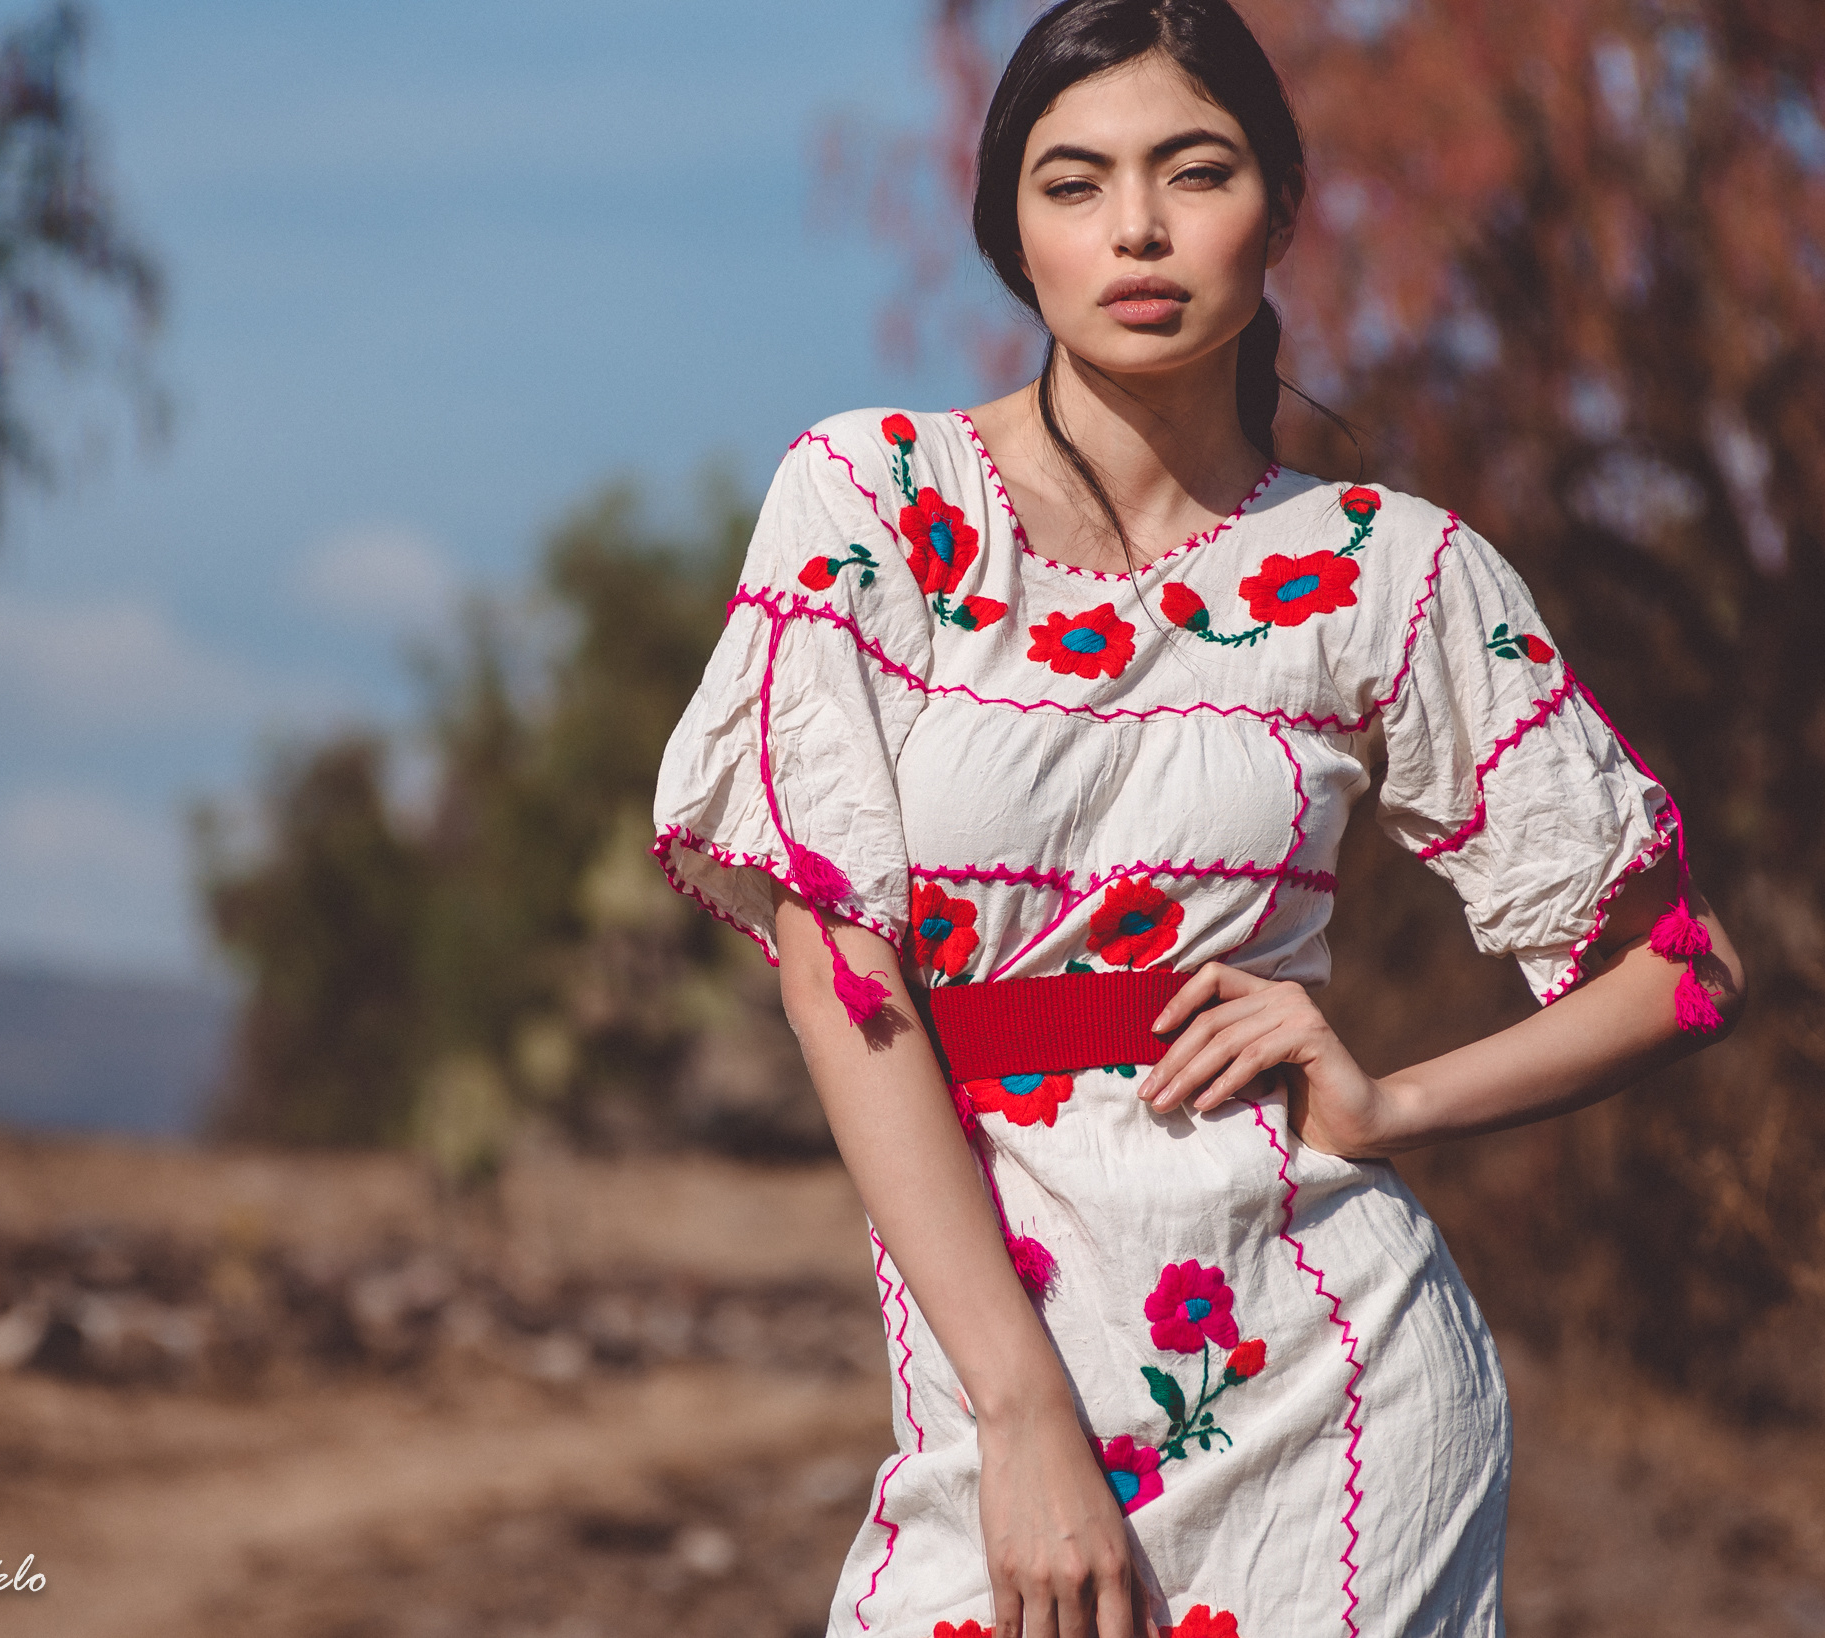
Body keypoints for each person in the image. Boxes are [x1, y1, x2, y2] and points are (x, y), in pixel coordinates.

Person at [650, 2, 1744, 1634]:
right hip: (1003, 1397)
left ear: (1283, 211)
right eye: (1074, 182)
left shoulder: (1388, 568)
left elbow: (1684, 967)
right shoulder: (872, 501)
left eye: (1196, 171)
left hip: (1340, 1402)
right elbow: (838, 973)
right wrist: (1021, 1417)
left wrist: (1390, 1101)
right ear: (1011, 231)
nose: (1137, 229)